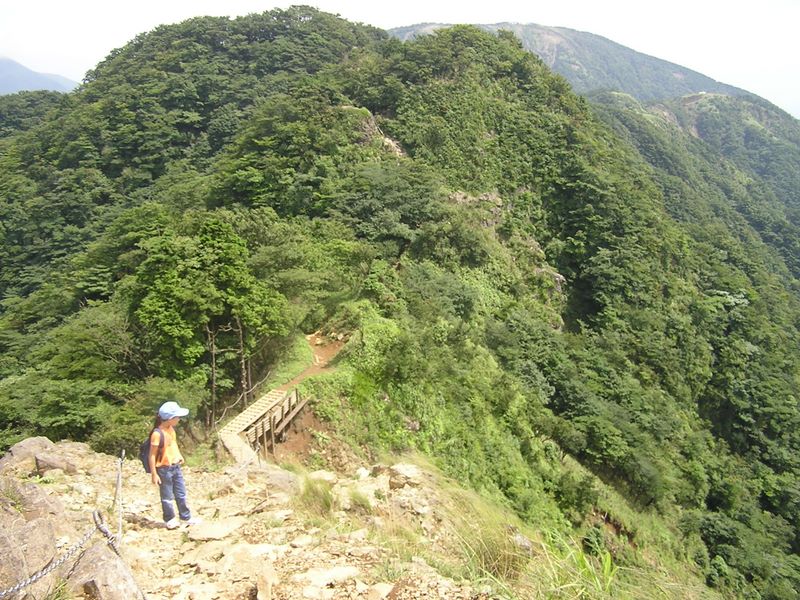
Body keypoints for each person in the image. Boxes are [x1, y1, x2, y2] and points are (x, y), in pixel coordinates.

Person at [149, 401, 201, 529]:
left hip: (175, 466)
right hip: (164, 469)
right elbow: (152, 455)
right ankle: (170, 519)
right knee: (167, 496)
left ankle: (186, 517)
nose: (179, 419)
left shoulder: (171, 429)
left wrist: (179, 456)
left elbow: (173, 445)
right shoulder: (157, 434)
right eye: (177, 417)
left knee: (181, 493)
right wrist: (154, 474)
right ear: (170, 419)